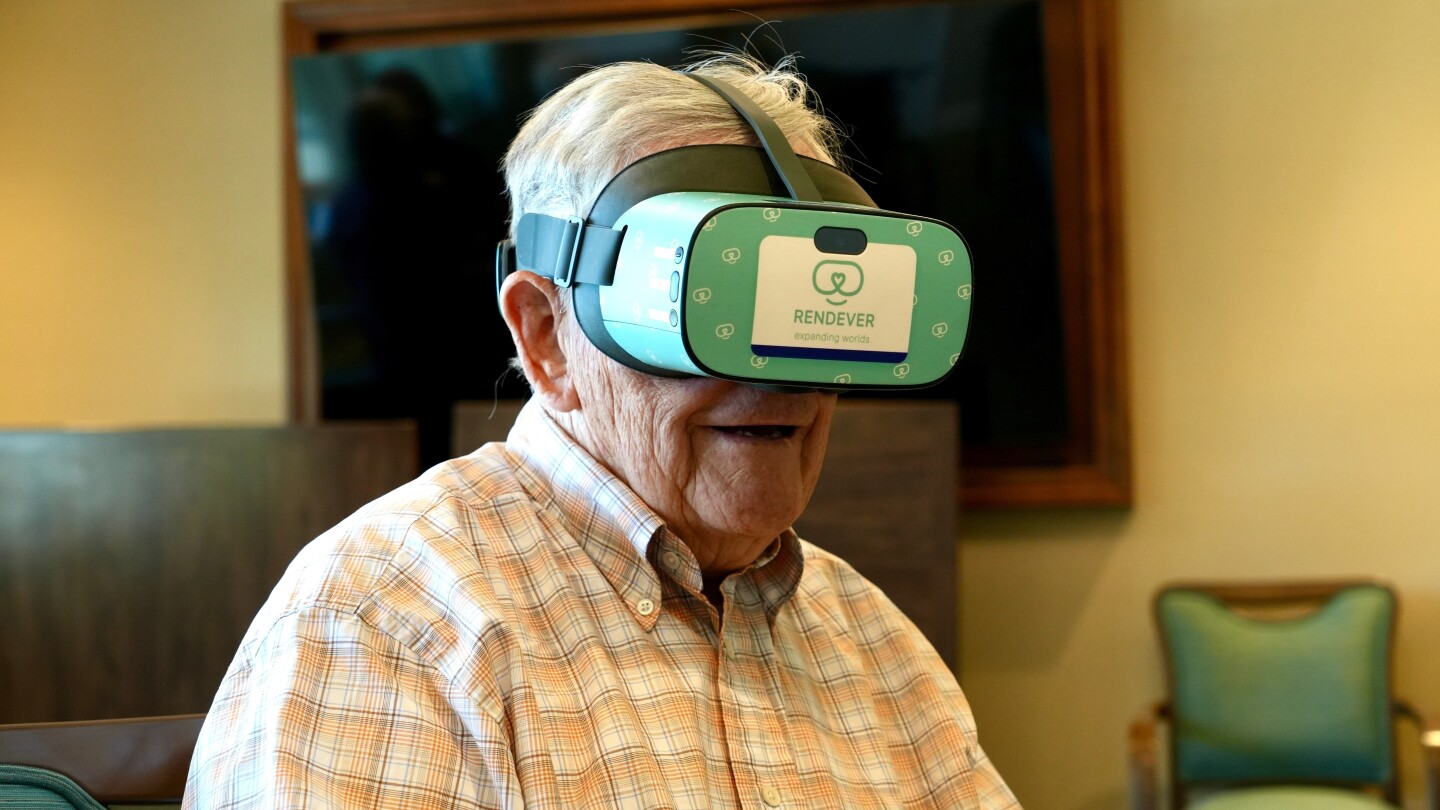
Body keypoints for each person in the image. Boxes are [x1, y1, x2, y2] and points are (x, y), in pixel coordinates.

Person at [185, 55, 1020, 809]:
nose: (782, 376)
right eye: (707, 305)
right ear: (547, 334)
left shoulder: (872, 641)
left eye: (807, 307)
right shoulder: (387, 624)